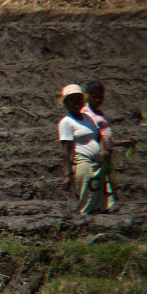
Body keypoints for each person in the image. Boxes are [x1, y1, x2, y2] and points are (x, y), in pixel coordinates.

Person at [58, 84, 113, 216]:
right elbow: (66, 149)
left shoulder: (88, 118)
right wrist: (67, 174)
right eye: (72, 99)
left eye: (78, 99)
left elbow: (98, 135)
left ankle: (99, 222)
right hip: (82, 161)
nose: (76, 103)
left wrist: (102, 149)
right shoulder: (66, 122)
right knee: (87, 196)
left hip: (97, 162)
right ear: (66, 103)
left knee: (100, 197)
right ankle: (84, 223)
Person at [85, 81, 130, 209]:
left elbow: (106, 138)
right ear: (87, 96)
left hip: (106, 156)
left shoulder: (99, 113)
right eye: (94, 97)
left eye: (100, 97)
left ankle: (107, 207)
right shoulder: (87, 113)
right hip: (98, 155)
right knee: (99, 184)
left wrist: (122, 143)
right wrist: (101, 150)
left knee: (108, 182)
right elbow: (94, 136)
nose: (98, 100)